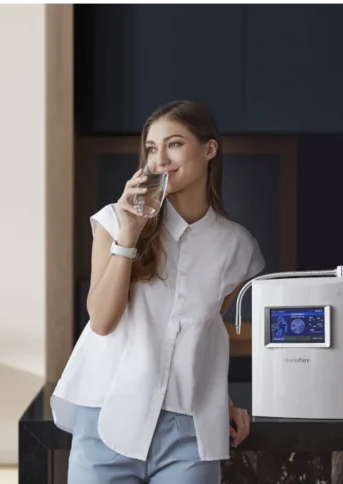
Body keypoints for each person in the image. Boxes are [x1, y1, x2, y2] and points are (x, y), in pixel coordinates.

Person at [51, 100, 265, 483]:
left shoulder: (238, 248)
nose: (160, 159)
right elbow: (101, 321)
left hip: (187, 430)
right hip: (106, 418)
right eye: (152, 148)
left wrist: (223, 401)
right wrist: (128, 236)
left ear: (209, 149)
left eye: (175, 144)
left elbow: (200, 335)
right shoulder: (114, 221)